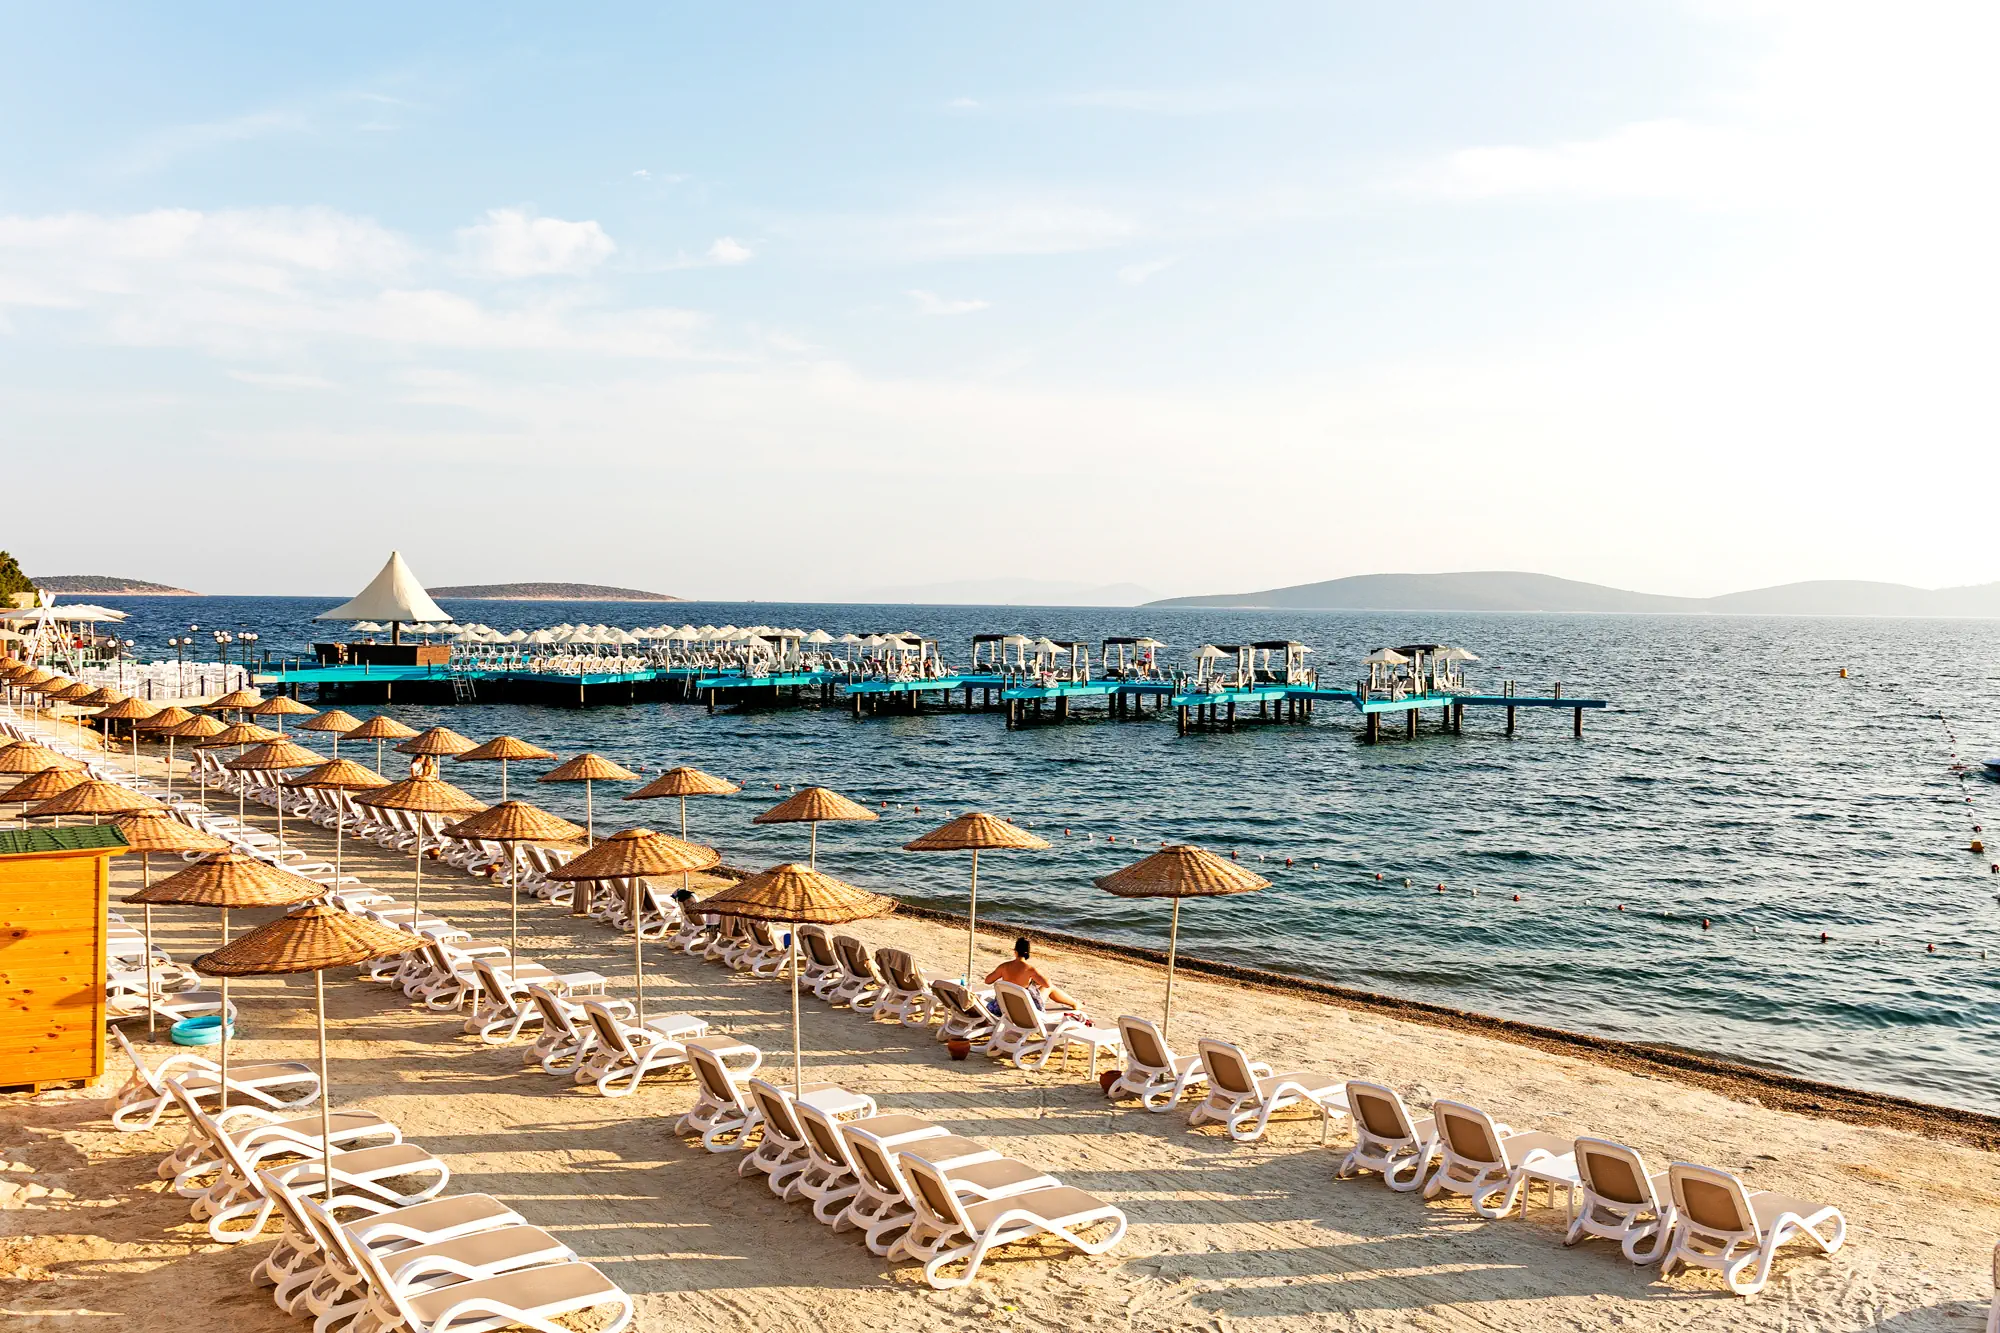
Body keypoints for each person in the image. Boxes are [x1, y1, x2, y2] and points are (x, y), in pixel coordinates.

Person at [983, 937, 1082, 1016]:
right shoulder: (1030, 970)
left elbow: (987, 981)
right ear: (1027, 953)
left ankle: (1075, 1003)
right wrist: (1034, 980)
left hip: (1003, 1007)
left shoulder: (1004, 966)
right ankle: (1075, 1003)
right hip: (1024, 1010)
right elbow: (1047, 984)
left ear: (1015, 951)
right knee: (1051, 987)